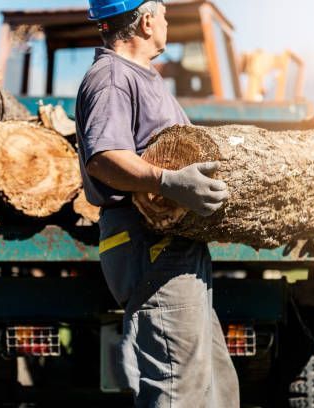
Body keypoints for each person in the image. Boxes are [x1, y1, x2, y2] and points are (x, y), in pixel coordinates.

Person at [75, 1, 240, 406]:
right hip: (146, 246)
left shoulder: (144, 78)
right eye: (163, 14)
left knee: (212, 383)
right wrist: (168, 181)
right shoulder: (112, 78)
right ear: (146, 20)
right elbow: (104, 157)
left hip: (172, 247)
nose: (166, 22)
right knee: (176, 389)